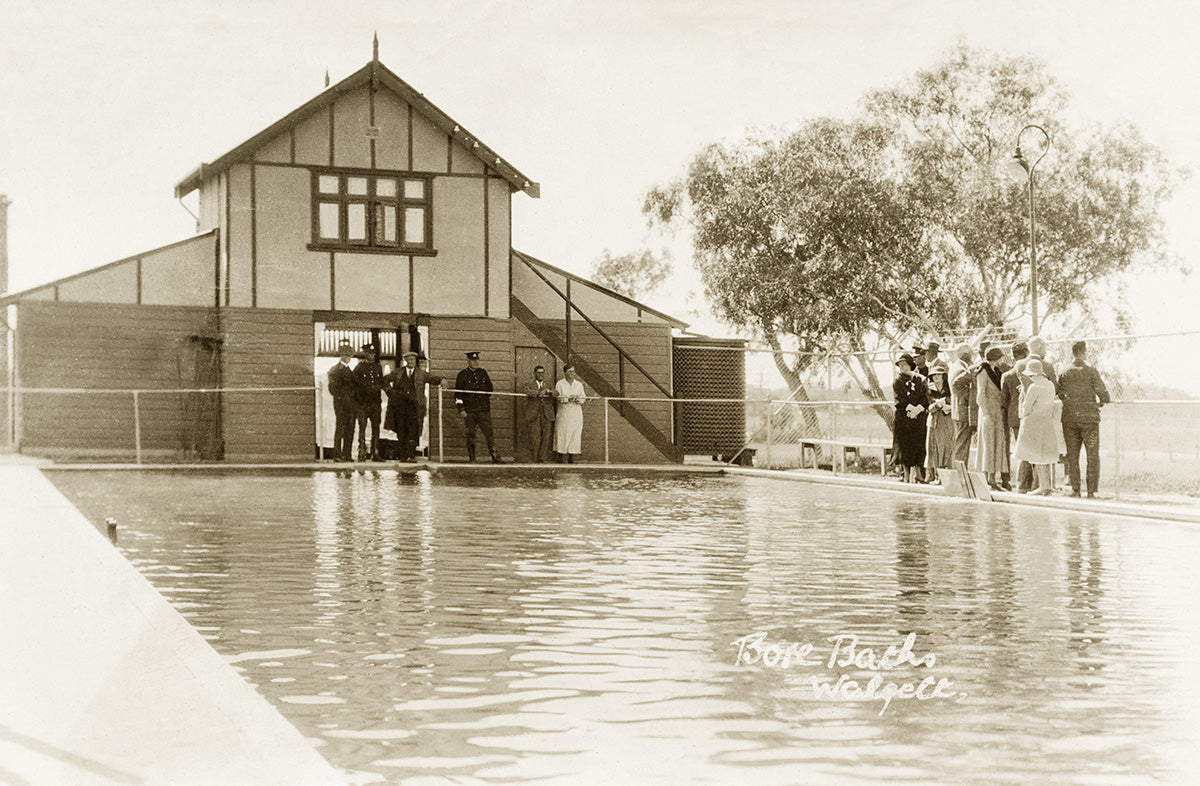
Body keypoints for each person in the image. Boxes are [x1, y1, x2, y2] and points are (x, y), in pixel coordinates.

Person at [1057, 340, 1111, 498]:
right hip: (1089, 419)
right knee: (1092, 455)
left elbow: (1059, 392)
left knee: (1072, 455)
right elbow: (1102, 392)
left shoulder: (1064, 371)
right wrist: (1102, 401)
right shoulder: (1091, 371)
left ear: (1073, 353)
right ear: (1084, 352)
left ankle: (1075, 489)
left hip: (1069, 418)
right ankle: (1091, 491)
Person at [384, 350, 443, 461]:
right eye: (409, 359)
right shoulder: (398, 372)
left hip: (415, 407)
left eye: (413, 359)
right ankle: (403, 455)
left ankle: (411, 455)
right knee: (401, 429)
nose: (412, 361)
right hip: (400, 406)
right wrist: (390, 392)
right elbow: (384, 380)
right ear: (406, 361)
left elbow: (432, 379)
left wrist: (442, 380)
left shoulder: (421, 373)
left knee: (413, 430)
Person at [1014, 359, 1059, 495]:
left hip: (1034, 423)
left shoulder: (1034, 387)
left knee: (1037, 456)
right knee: (1044, 455)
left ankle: (1043, 487)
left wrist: (1022, 395)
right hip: (1047, 423)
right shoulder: (1050, 385)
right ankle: (1045, 486)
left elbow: (1026, 409)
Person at [973, 346, 1010, 489]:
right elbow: (981, 394)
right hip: (988, 412)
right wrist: (986, 413)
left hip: (996, 412)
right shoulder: (983, 370)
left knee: (996, 444)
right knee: (989, 444)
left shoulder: (995, 370)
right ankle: (989, 479)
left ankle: (993, 478)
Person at [455, 351, 501, 463]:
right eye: (472, 360)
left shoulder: (483, 373)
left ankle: (495, 458)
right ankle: (472, 459)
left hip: (484, 410)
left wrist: (482, 397)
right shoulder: (462, 375)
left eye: (476, 360)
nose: (475, 362)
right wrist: (461, 409)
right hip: (469, 411)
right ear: (468, 361)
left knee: (489, 433)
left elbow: (490, 389)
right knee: (471, 434)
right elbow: (458, 395)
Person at [1001, 341, 1034, 492]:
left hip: (1014, 417)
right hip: (1030, 414)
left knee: (1022, 450)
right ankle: (1029, 484)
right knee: (1032, 451)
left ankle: (1022, 484)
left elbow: (1004, 401)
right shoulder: (1032, 372)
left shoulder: (1007, 376)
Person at [891, 353, 928, 483]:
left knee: (919, 445)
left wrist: (919, 408)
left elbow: (924, 397)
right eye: (900, 365)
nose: (902, 367)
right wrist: (910, 408)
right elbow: (899, 400)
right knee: (905, 446)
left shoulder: (919, 380)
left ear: (910, 365)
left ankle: (919, 473)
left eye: (904, 364)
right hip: (904, 418)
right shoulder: (898, 381)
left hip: (918, 419)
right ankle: (905, 475)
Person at [326, 339, 359, 461]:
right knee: (340, 428)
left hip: (351, 406)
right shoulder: (335, 370)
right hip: (341, 405)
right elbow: (333, 389)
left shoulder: (350, 371)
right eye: (345, 355)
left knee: (350, 429)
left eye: (349, 355)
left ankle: (347, 454)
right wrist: (343, 398)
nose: (347, 358)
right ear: (341, 356)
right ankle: (337, 455)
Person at [353, 343, 385, 461]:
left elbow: (381, 382)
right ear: (365, 354)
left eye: (373, 353)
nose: (372, 355)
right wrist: (359, 400)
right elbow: (355, 386)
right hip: (363, 404)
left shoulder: (378, 367)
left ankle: (375, 453)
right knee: (362, 427)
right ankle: (361, 453)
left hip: (376, 403)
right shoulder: (359, 368)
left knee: (376, 427)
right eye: (369, 353)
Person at [924, 359, 954, 483]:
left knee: (946, 447)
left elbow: (954, 402)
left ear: (943, 376)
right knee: (933, 448)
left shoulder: (949, 389)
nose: (936, 377)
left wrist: (949, 407)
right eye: (934, 375)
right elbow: (927, 408)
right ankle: (934, 474)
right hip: (934, 422)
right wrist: (937, 405)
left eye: (938, 375)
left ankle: (944, 475)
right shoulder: (929, 390)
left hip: (946, 422)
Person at [949, 343, 976, 465]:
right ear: (966, 355)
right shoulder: (961, 369)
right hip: (963, 410)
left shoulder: (956, 366)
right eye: (971, 353)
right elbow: (957, 386)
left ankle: (961, 473)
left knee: (962, 443)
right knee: (962, 444)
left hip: (959, 410)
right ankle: (960, 474)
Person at [522, 365, 556, 462]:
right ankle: (534, 459)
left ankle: (542, 459)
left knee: (546, 437)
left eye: (542, 373)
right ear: (534, 374)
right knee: (535, 437)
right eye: (538, 373)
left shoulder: (549, 384)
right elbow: (525, 390)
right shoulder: (529, 383)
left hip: (546, 414)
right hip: (534, 414)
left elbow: (556, 393)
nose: (541, 375)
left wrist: (548, 391)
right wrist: (538, 393)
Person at [554, 364, 586, 463]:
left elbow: (583, 397)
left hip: (576, 411)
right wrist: (568, 398)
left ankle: (571, 456)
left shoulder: (578, 384)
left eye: (573, 371)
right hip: (564, 411)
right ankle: (560, 456)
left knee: (574, 433)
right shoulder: (560, 383)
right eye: (570, 372)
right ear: (565, 373)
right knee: (562, 432)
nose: (573, 374)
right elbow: (558, 397)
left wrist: (578, 399)